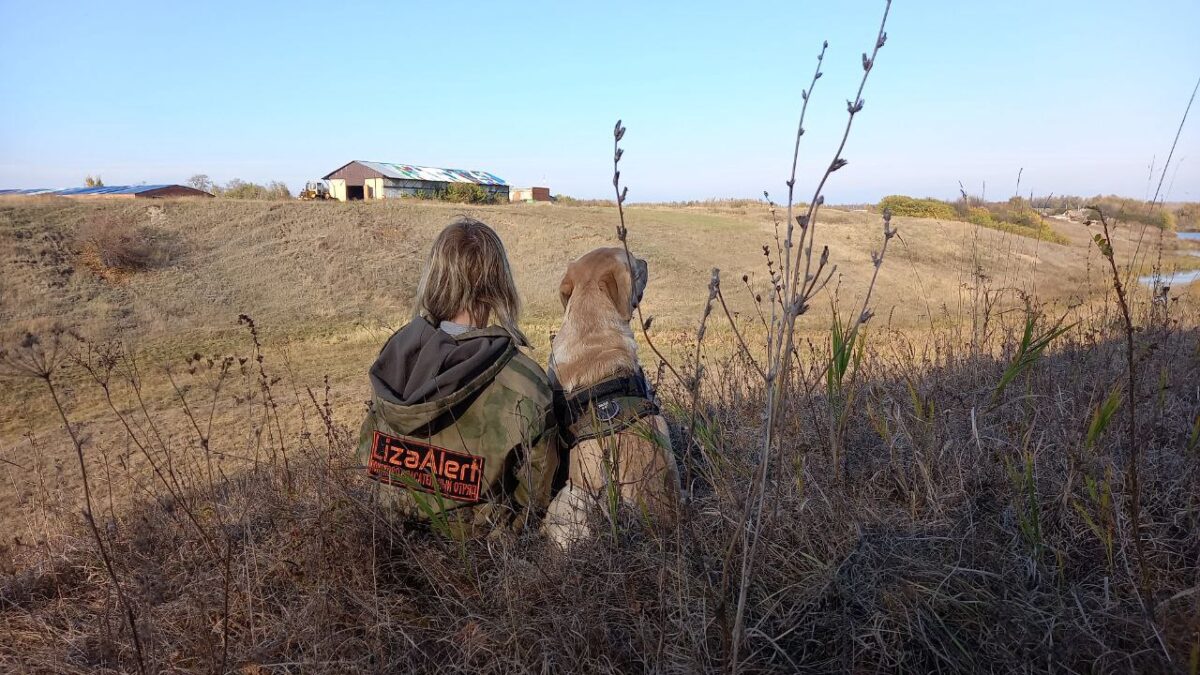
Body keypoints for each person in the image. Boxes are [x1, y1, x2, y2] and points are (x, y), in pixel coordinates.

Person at [356, 217, 558, 536]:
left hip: (384, 544)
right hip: (480, 566)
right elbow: (536, 497)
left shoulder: (395, 355)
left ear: (434, 278)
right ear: (499, 284)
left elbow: (366, 457)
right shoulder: (526, 384)